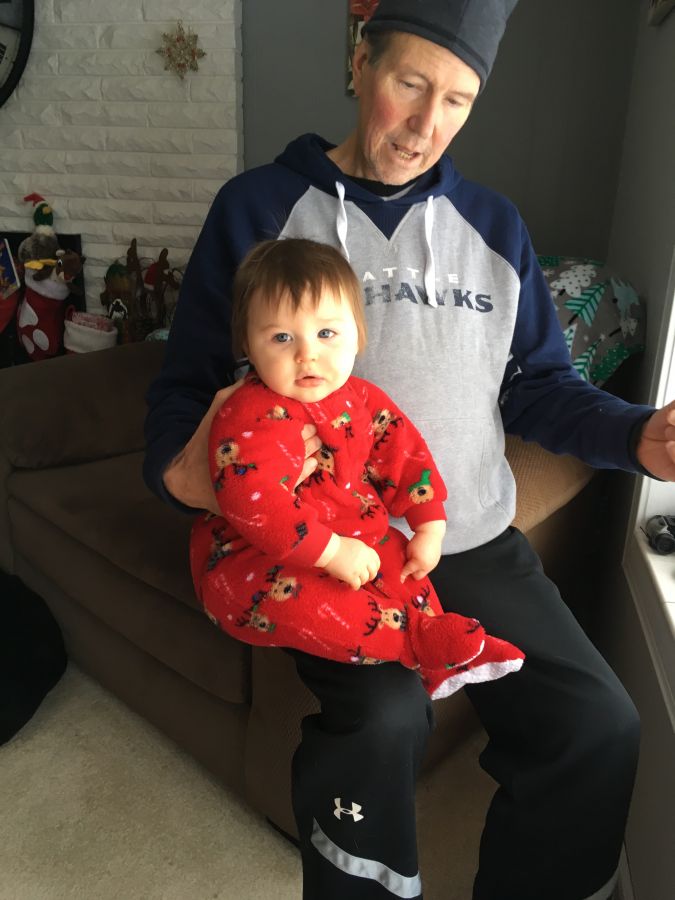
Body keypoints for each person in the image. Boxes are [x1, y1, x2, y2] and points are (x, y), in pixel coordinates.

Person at [144, 1, 675, 897]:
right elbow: (183, 385)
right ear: (361, 66)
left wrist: (635, 436)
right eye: (409, 85)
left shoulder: (494, 227)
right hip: (328, 550)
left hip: (468, 539)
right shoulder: (258, 208)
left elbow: (538, 388)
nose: (427, 125)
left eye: (457, 100)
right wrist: (175, 474)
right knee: (384, 721)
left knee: (598, 723)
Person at [191, 237, 525, 699]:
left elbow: (405, 455)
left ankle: (439, 649)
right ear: (248, 345)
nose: (307, 354)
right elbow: (257, 505)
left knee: (405, 571)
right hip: (256, 555)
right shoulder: (249, 414)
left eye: (326, 334)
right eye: (282, 337)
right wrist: (330, 553)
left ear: (357, 335)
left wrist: (429, 525)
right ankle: (419, 644)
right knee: (294, 603)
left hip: (357, 534)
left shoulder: (363, 400)